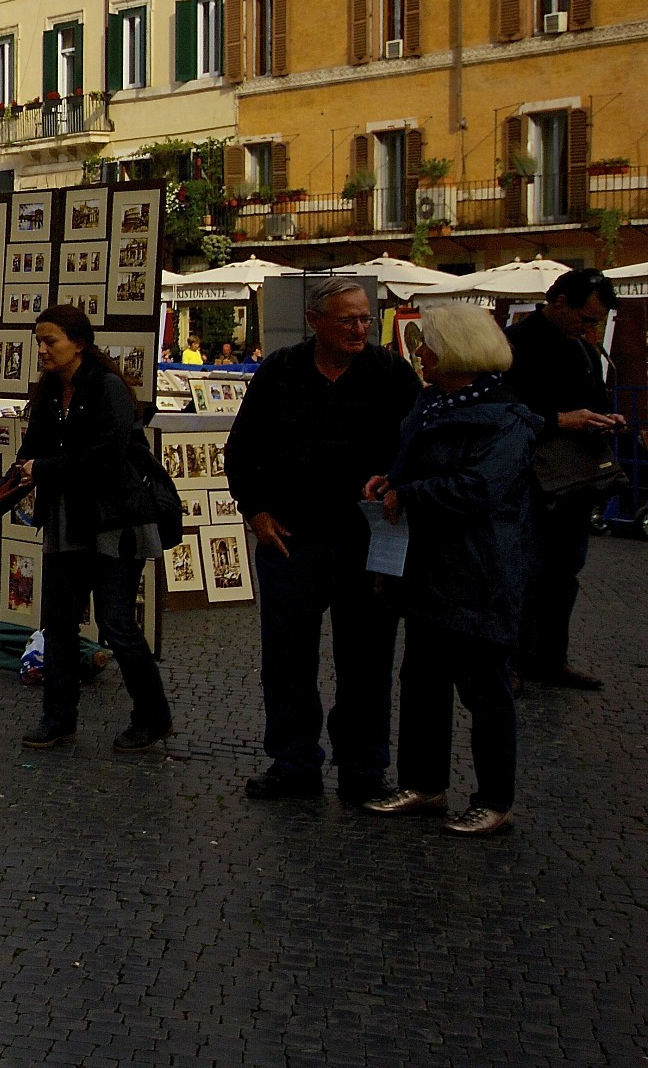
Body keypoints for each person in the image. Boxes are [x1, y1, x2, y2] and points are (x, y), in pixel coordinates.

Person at [225, 278, 422, 802]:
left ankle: (362, 766)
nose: (360, 329)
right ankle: (294, 762)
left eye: (364, 319)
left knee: (368, 659)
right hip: (292, 538)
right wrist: (256, 511)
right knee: (287, 659)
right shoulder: (281, 371)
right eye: (347, 320)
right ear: (316, 322)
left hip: (367, 539)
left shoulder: (390, 373)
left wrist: (400, 490)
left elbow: (419, 444)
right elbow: (242, 448)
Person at [360, 302, 540, 836]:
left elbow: (481, 488)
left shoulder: (507, 418)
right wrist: (388, 482)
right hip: (427, 566)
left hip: (481, 568)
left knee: (485, 688)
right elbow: (412, 463)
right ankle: (424, 783)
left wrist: (409, 493)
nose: (421, 353)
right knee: (422, 679)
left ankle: (495, 798)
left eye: (428, 344)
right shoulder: (432, 403)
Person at [0, 305, 172, 753]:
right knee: (57, 625)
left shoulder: (108, 387)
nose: (41, 349)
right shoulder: (51, 393)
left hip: (115, 523)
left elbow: (107, 456)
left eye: (49, 340)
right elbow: (26, 464)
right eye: (38, 340)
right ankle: (58, 718)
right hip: (66, 524)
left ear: (79, 342)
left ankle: (152, 717)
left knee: (117, 624)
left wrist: (46, 468)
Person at [506, 268, 624, 691]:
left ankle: (551, 658)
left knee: (564, 572)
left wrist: (606, 419)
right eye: (585, 319)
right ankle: (513, 663)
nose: (589, 328)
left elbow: (593, 400)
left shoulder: (583, 350)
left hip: (574, 479)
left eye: (596, 322)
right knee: (526, 570)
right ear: (558, 304)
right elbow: (506, 409)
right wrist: (559, 419)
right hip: (531, 478)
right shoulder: (516, 343)